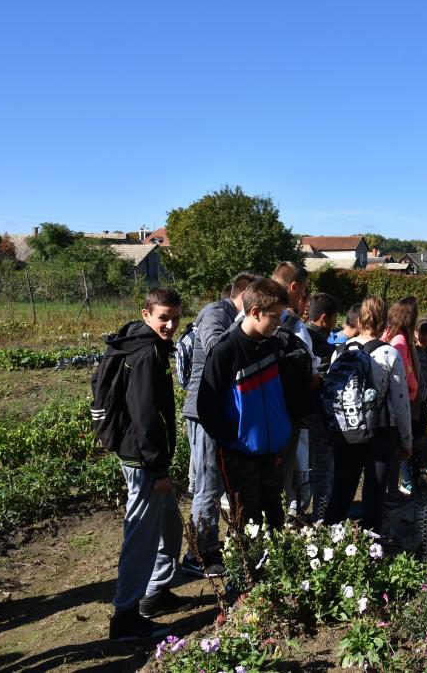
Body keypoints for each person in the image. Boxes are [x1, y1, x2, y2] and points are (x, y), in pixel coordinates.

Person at [108, 287, 191, 640]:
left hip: (147, 457)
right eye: (163, 318)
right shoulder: (145, 355)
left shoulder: (149, 345)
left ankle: (156, 593)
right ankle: (126, 616)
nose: (170, 324)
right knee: (140, 537)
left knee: (170, 525)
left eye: (175, 318)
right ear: (146, 315)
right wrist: (158, 470)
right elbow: (145, 417)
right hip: (143, 460)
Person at [180, 271, 260, 578]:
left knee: (216, 479)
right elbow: (216, 347)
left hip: (221, 410)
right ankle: (199, 553)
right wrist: (244, 326)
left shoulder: (228, 314)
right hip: (204, 411)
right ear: (243, 296)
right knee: (208, 482)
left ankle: (208, 545)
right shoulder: (215, 312)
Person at [197, 278, 293, 530]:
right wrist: (234, 436)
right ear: (254, 312)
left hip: (272, 452)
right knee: (246, 523)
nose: (279, 323)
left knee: (275, 520)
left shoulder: (275, 346)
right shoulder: (225, 352)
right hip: (240, 455)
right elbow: (207, 407)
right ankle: (247, 569)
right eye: (274, 316)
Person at [323, 295, 413, 535]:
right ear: (384, 321)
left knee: (342, 490)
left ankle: (328, 542)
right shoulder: (389, 354)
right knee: (374, 496)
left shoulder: (340, 351)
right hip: (381, 433)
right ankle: (371, 549)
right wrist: (406, 441)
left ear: (359, 319)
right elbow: (401, 404)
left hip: (346, 430)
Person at [270, 262, 321, 519]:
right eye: (303, 292)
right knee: (285, 470)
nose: (304, 298)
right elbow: (312, 374)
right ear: (293, 287)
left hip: (254, 412)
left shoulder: (246, 316)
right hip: (287, 413)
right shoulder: (295, 326)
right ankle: (288, 518)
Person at [304, 292, 340, 519]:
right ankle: (321, 516)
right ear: (325, 318)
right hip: (318, 415)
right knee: (323, 467)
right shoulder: (324, 347)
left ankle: (295, 513)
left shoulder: (299, 334)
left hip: (294, 415)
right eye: (335, 318)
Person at [382, 296, 420, 497]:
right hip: (397, 403)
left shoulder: (390, 335)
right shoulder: (400, 342)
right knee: (396, 450)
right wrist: (415, 388)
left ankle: (391, 491)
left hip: (390, 404)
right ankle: (392, 493)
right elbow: (405, 375)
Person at [412, 318, 427, 490]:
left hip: (426, 400)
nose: (425, 337)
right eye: (422, 333)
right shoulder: (412, 351)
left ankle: (418, 472)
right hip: (414, 401)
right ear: (415, 333)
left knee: (420, 436)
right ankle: (412, 476)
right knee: (412, 437)